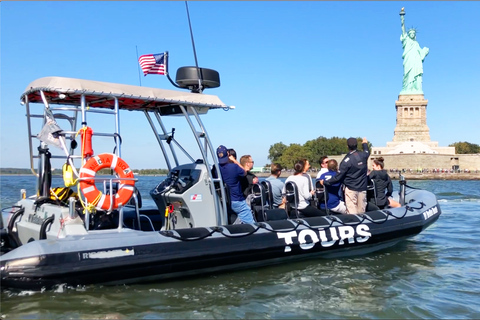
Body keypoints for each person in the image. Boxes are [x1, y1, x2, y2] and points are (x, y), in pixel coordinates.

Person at [320, 137, 370, 214]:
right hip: (362, 188)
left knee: (352, 212)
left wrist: (325, 182)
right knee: (361, 211)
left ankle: (353, 224)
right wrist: (364, 144)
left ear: (347, 146)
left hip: (351, 189)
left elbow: (338, 177)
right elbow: (367, 151)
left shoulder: (346, 161)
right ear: (357, 145)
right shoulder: (364, 155)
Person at [216, 145, 255, 224]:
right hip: (237, 200)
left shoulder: (216, 168)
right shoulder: (234, 167)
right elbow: (244, 172)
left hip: (225, 200)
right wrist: (234, 160)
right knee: (251, 223)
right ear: (228, 154)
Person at [399, 7, 429, 94]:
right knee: (407, 74)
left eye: (413, 33)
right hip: (408, 60)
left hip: (416, 61)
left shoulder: (416, 44)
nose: (412, 34)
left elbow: (421, 53)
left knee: (417, 75)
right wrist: (402, 19)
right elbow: (403, 30)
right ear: (408, 34)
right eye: (410, 33)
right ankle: (407, 89)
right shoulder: (406, 40)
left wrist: (425, 51)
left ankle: (416, 89)